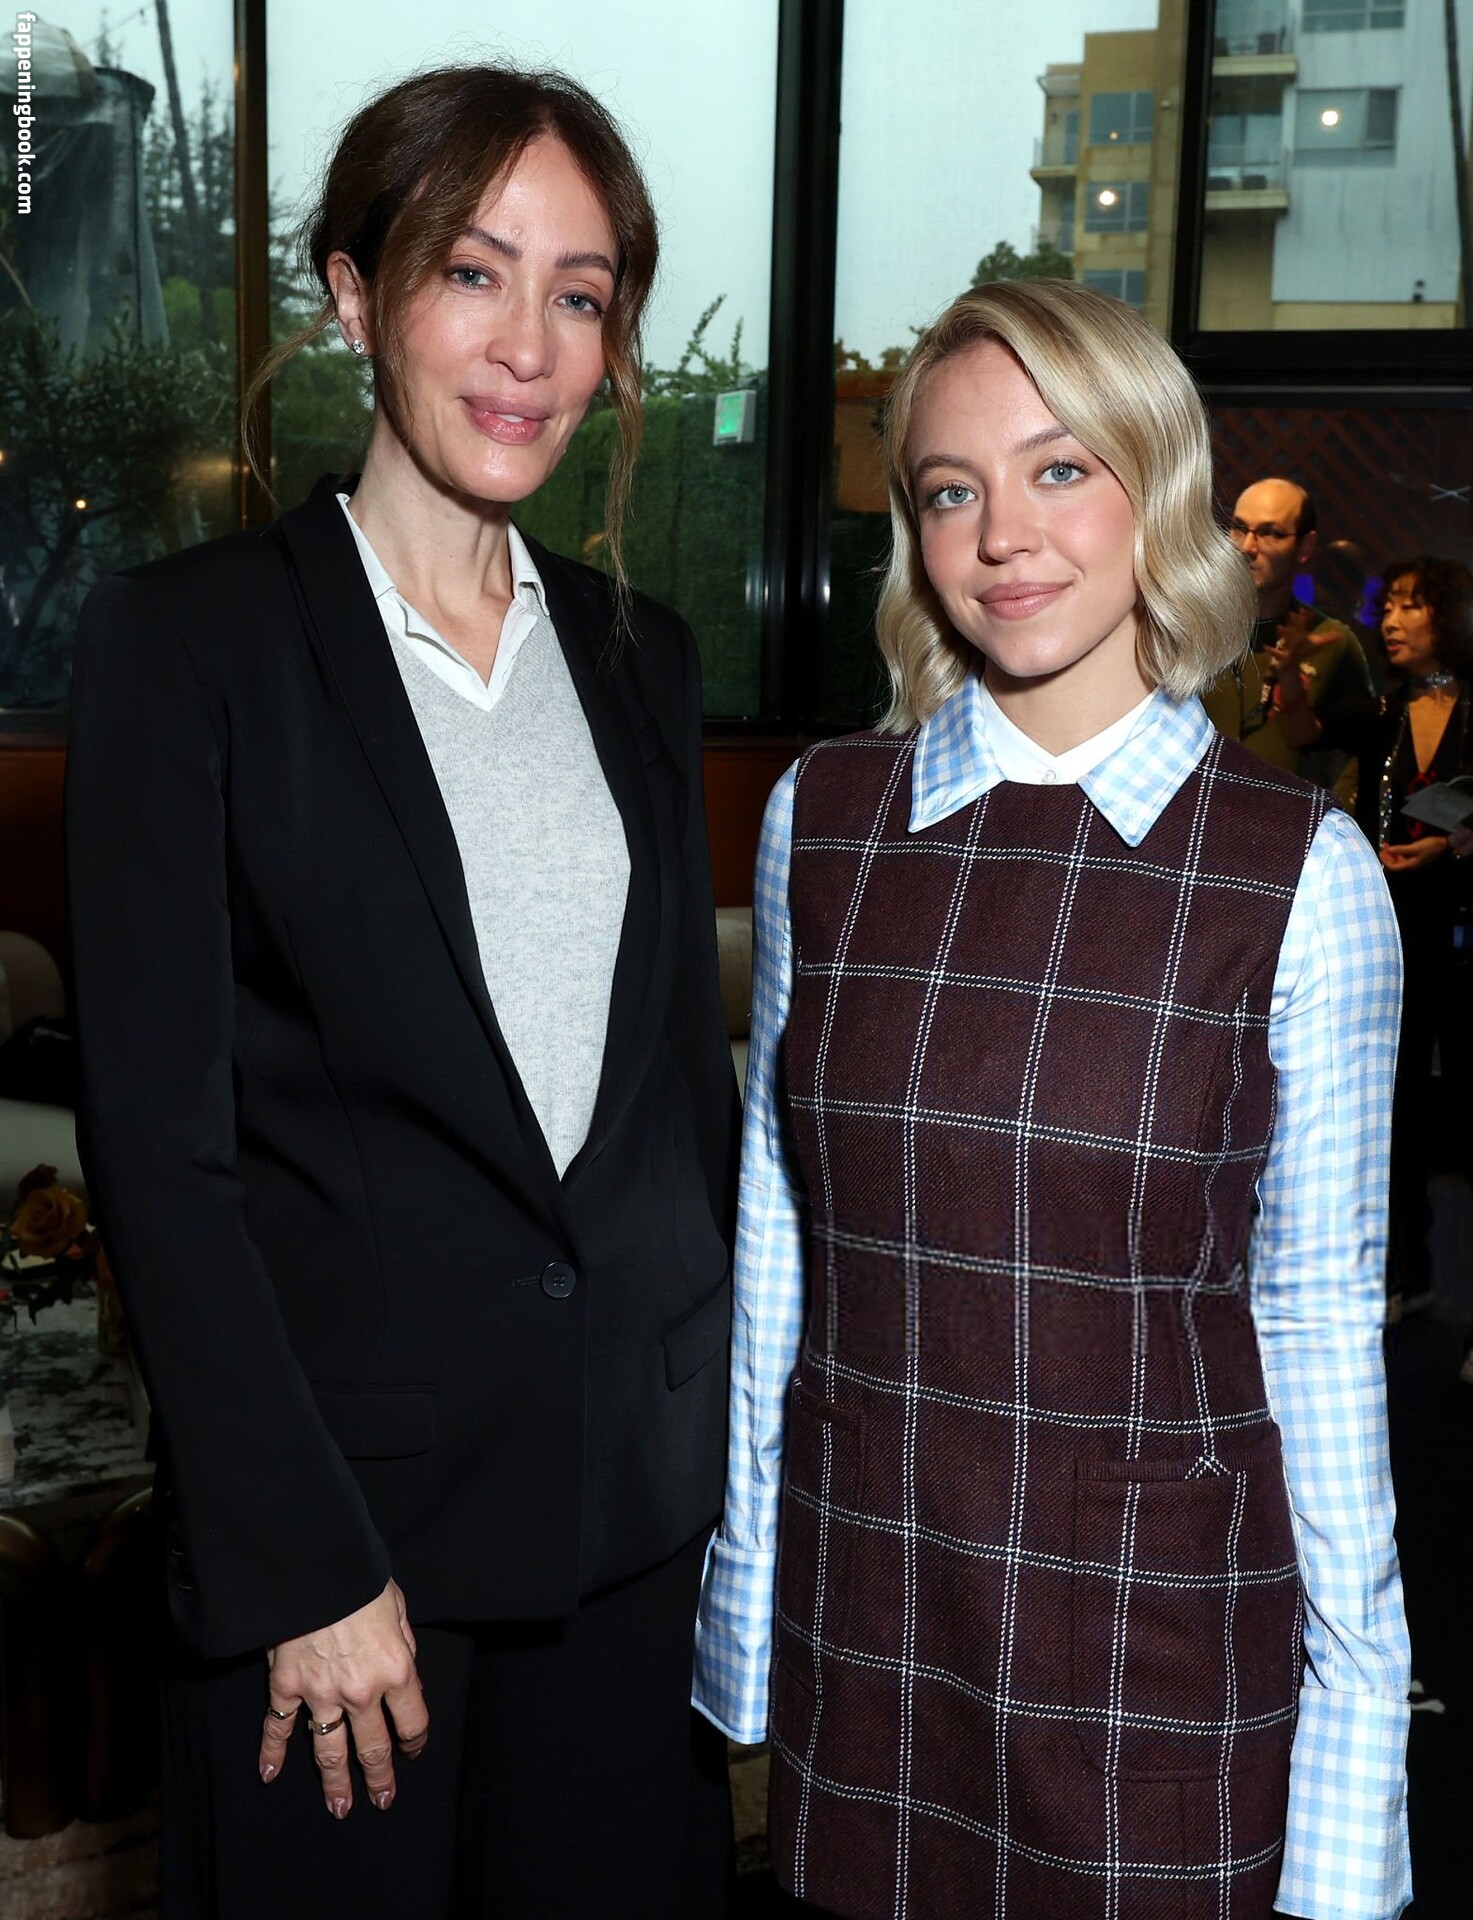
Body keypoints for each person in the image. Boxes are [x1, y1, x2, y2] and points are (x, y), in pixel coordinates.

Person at [67, 64, 738, 1920]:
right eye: (472, 272)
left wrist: (730, 1475)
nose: (529, 346)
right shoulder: (190, 647)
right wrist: (295, 1559)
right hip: (345, 1565)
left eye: (581, 294)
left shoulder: (642, 659)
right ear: (355, 299)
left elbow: (676, 1108)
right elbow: (159, 1152)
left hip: (631, 1530)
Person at [693, 281, 1410, 1920]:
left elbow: (1317, 1327)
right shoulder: (826, 819)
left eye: (1059, 469)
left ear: (1157, 485)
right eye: (950, 489)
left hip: (1153, 1641)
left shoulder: (1298, 876)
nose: (1002, 535)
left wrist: (1356, 1761)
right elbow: (781, 1245)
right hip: (871, 1608)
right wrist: (749, 1593)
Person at [1355, 557, 1473, 1386]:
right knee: (1391, 1116)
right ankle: (1407, 1270)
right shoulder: (1381, 713)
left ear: (1450, 618)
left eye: (1410, 606)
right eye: (1387, 605)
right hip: (1392, 938)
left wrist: (1461, 846)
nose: (1391, 620)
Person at [1203, 476, 1377, 804]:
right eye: (1239, 528)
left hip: (1286, 824)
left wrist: (1333, 817)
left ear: (1305, 548)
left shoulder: (1331, 641)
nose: (1247, 547)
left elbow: (1363, 745)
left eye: (1270, 533)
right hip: (1190, 820)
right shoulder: (1193, 628)